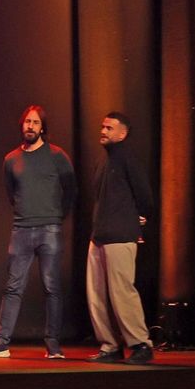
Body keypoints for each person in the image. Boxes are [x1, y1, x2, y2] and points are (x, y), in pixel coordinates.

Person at [0, 105, 76, 359]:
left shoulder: (57, 156)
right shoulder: (11, 159)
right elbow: (11, 193)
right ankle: (1, 342)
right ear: (22, 126)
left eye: (35, 122)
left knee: (51, 287)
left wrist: (57, 216)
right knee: (13, 287)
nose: (30, 126)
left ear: (42, 127)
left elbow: (71, 189)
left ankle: (53, 344)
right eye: (27, 122)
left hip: (49, 229)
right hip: (21, 229)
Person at [86, 111, 156, 364]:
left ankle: (140, 344)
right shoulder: (102, 160)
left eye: (109, 128)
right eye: (102, 127)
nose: (103, 131)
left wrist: (139, 219)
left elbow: (144, 195)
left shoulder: (128, 158)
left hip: (120, 234)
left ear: (122, 133)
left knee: (122, 292)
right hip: (99, 235)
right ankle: (110, 345)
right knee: (96, 294)